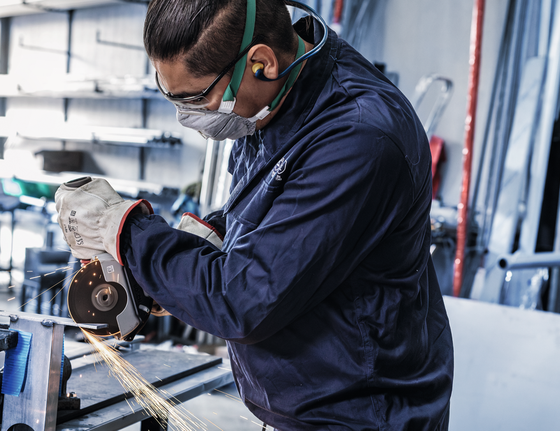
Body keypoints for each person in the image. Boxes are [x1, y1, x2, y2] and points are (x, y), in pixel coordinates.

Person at [55, 0, 454, 429]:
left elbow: (243, 302)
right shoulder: (276, 97)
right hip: (306, 404)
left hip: (360, 415)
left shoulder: (358, 137)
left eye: (196, 97)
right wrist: (197, 246)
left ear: (261, 62)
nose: (187, 115)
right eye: (170, 94)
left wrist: (125, 230)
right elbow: (267, 211)